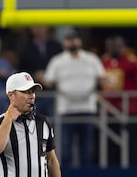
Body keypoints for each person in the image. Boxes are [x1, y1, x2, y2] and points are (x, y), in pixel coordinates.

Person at [43, 30, 105, 168]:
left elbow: (102, 77)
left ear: (79, 40)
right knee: (64, 149)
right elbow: (48, 80)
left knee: (87, 150)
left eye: (74, 39)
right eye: (69, 39)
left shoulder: (91, 59)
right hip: (66, 109)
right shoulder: (57, 61)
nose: (72, 42)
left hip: (87, 108)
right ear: (64, 42)